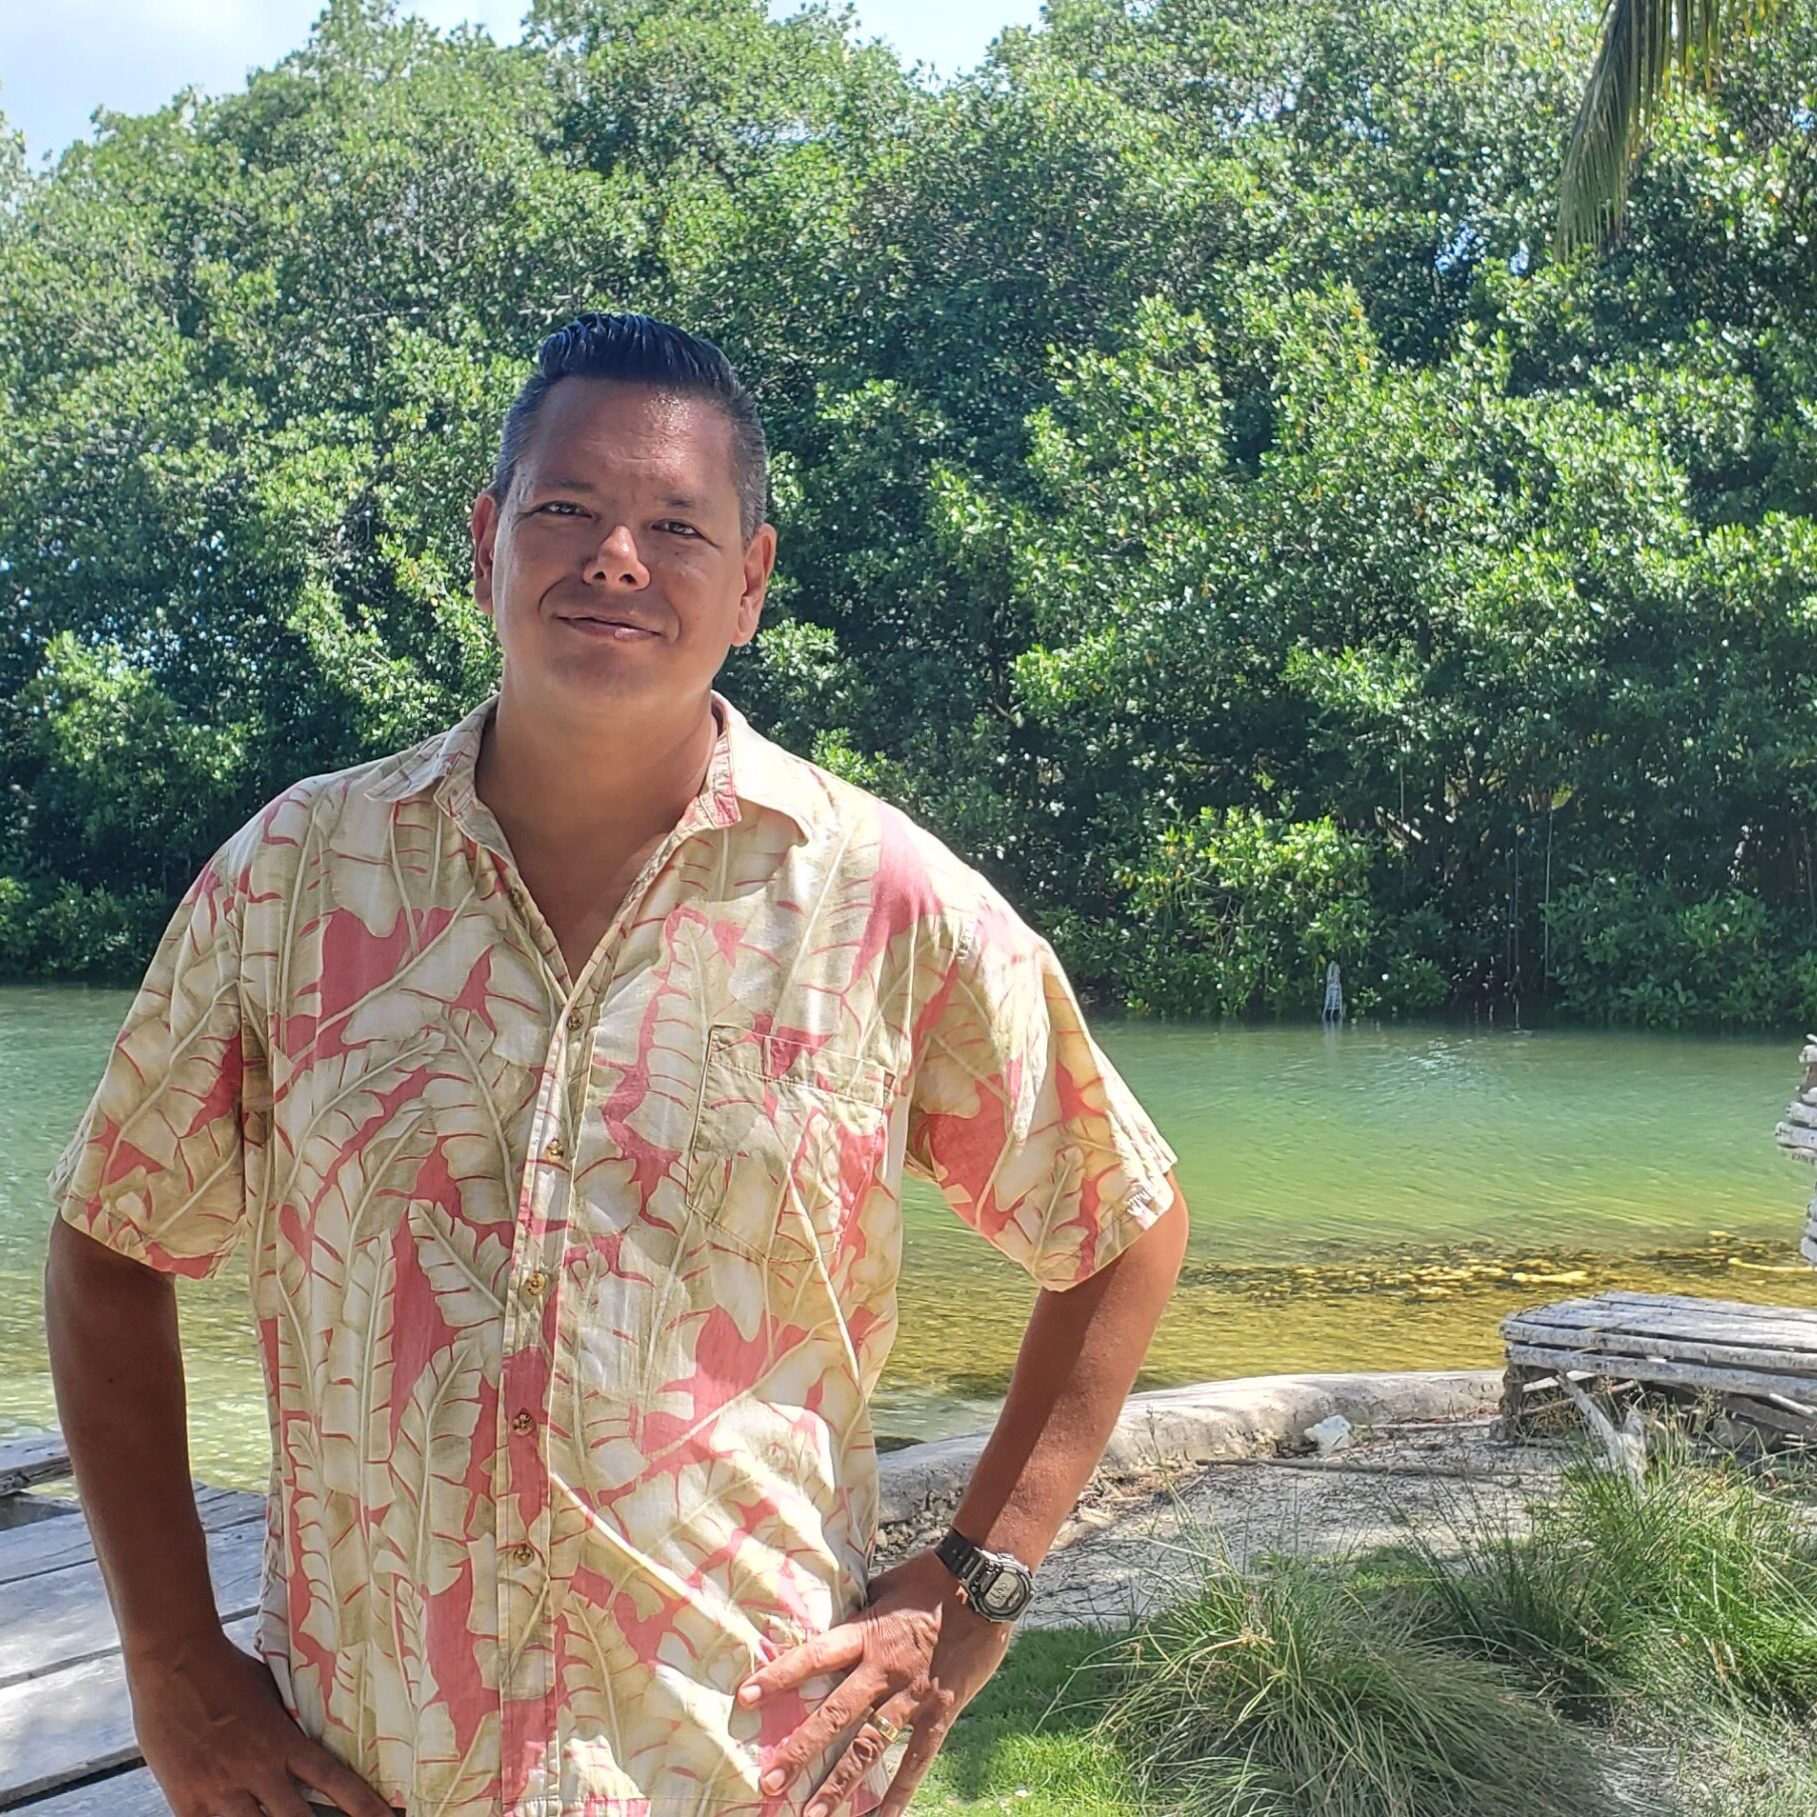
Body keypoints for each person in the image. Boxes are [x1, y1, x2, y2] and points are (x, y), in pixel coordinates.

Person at [43, 312, 1189, 1817]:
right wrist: (171, 1655)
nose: (615, 559)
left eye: (673, 525)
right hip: (369, 1763)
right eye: (565, 510)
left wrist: (973, 1584)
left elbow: (1118, 1220)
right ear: (486, 541)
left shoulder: (880, 900)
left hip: (737, 1761)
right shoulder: (292, 881)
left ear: (753, 583)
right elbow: (110, 1241)